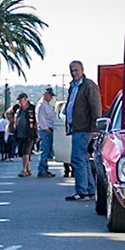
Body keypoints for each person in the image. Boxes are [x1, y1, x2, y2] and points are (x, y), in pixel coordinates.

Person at [64, 59, 102, 201]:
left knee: (77, 159)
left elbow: (95, 107)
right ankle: (89, 190)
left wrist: (94, 128)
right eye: (72, 70)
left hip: (84, 127)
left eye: (76, 70)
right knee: (83, 159)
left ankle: (82, 191)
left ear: (82, 70)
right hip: (76, 127)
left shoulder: (88, 86)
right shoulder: (73, 86)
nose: (74, 73)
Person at [34, 87, 58, 177]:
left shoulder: (47, 104)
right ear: (45, 95)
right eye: (50, 95)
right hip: (45, 131)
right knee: (44, 151)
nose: (51, 97)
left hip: (49, 129)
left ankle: (45, 169)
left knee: (47, 152)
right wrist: (46, 128)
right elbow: (41, 118)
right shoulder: (41, 105)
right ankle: (42, 170)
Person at [11, 92, 35, 175]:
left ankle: (24, 170)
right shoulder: (17, 109)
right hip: (19, 133)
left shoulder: (32, 108)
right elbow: (8, 113)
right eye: (19, 101)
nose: (20, 102)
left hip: (29, 134)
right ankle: (28, 169)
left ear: (26, 100)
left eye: (21, 100)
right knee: (22, 152)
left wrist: (36, 133)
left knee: (26, 152)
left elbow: (36, 121)